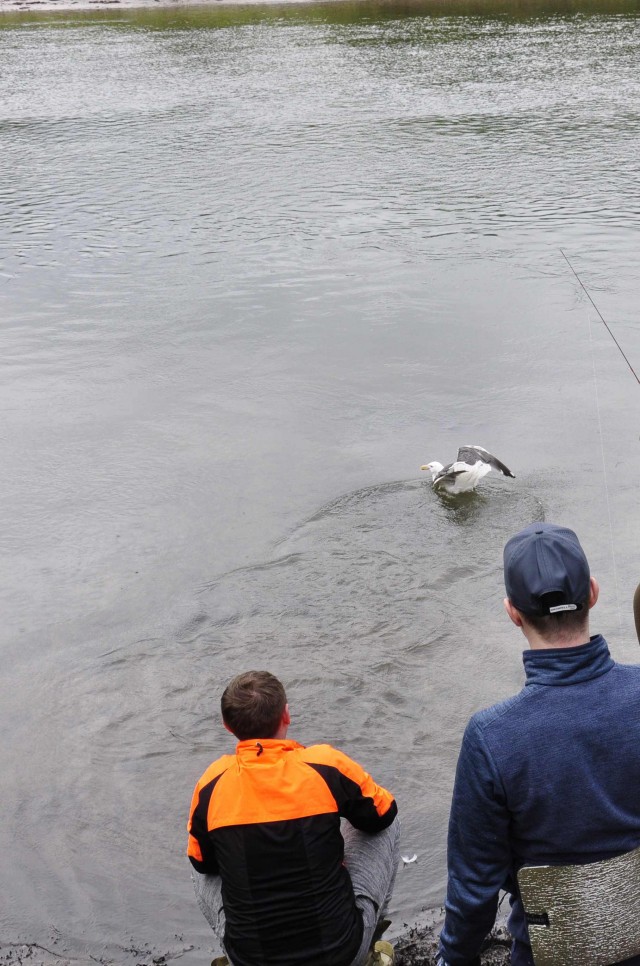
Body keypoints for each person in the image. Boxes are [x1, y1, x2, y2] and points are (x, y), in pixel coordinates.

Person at [438, 522, 640, 966]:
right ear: (593, 591)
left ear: (512, 612)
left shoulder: (491, 736)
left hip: (551, 955)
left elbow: (473, 892)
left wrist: (451, 960)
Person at [187, 670, 400, 966]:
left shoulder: (211, 783)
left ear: (226, 726)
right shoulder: (325, 764)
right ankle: (369, 948)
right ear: (286, 714)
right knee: (385, 824)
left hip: (251, 961)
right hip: (340, 955)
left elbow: (204, 864)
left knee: (197, 857)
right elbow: (383, 814)